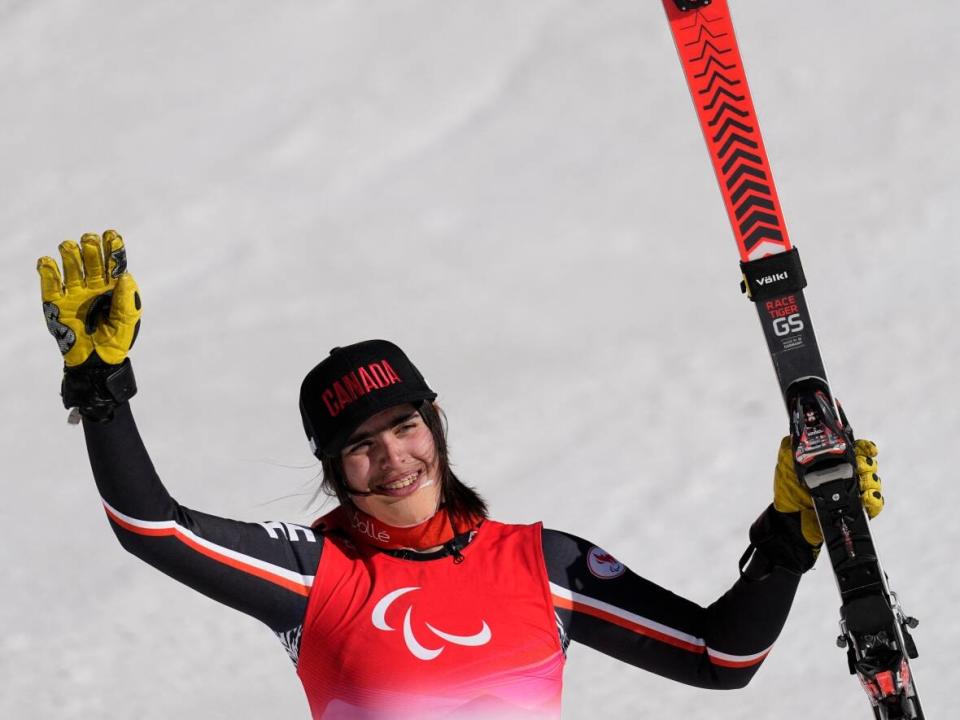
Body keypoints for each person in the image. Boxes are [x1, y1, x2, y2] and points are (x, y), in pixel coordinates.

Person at [37, 231, 884, 719]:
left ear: (435, 426)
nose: (393, 457)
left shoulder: (541, 567)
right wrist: (101, 391)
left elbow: (718, 656)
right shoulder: (316, 574)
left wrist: (792, 534)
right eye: (361, 445)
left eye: (405, 425)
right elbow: (153, 527)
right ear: (333, 470)